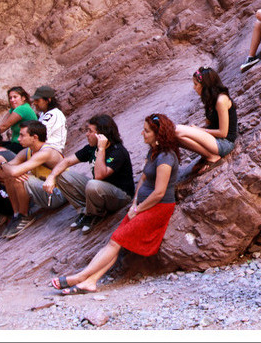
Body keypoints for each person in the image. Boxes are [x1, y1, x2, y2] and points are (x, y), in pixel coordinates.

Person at [50, 113, 180, 295]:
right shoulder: (153, 151)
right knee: (116, 242)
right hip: (142, 205)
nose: (142, 133)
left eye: (147, 131)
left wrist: (138, 209)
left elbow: (159, 192)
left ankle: (81, 277)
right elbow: (143, 178)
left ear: (158, 134)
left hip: (158, 208)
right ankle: (91, 281)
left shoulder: (166, 157)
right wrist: (135, 202)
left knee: (115, 242)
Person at [42, 114, 135, 235]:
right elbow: (66, 161)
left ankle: (95, 214)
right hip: (99, 190)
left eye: (90, 131)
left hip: (121, 196)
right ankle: (85, 211)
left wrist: (101, 149)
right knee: (61, 176)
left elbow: (99, 176)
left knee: (93, 184)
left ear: (101, 135)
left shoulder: (118, 151)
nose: (86, 134)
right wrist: (51, 177)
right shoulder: (91, 148)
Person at [0, 120, 67, 239]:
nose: (18, 139)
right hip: (45, 192)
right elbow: (1, 174)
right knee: (11, 177)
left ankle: (24, 216)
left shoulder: (46, 152)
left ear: (34, 137)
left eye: (22, 135)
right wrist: (4, 166)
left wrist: (3, 165)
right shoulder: (27, 151)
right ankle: (17, 215)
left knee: (19, 178)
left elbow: (13, 171)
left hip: (59, 193)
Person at [176, 67, 237, 174]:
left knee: (178, 130)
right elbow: (210, 125)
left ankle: (212, 157)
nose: (194, 88)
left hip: (225, 143)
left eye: (196, 84)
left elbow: (223, 133)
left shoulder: (221, 100)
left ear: (205, 85)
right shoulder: (210, 99)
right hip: (214, 140)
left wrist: (200, 130)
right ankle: (208, 155)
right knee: (175, 136)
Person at [31, 85, 67, 153]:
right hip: (45, 149)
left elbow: (40, 135)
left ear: (48, 100)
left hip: (52, 151)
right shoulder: (44, 114)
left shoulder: (53, 114)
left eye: (37, 100)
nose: (35, 103)